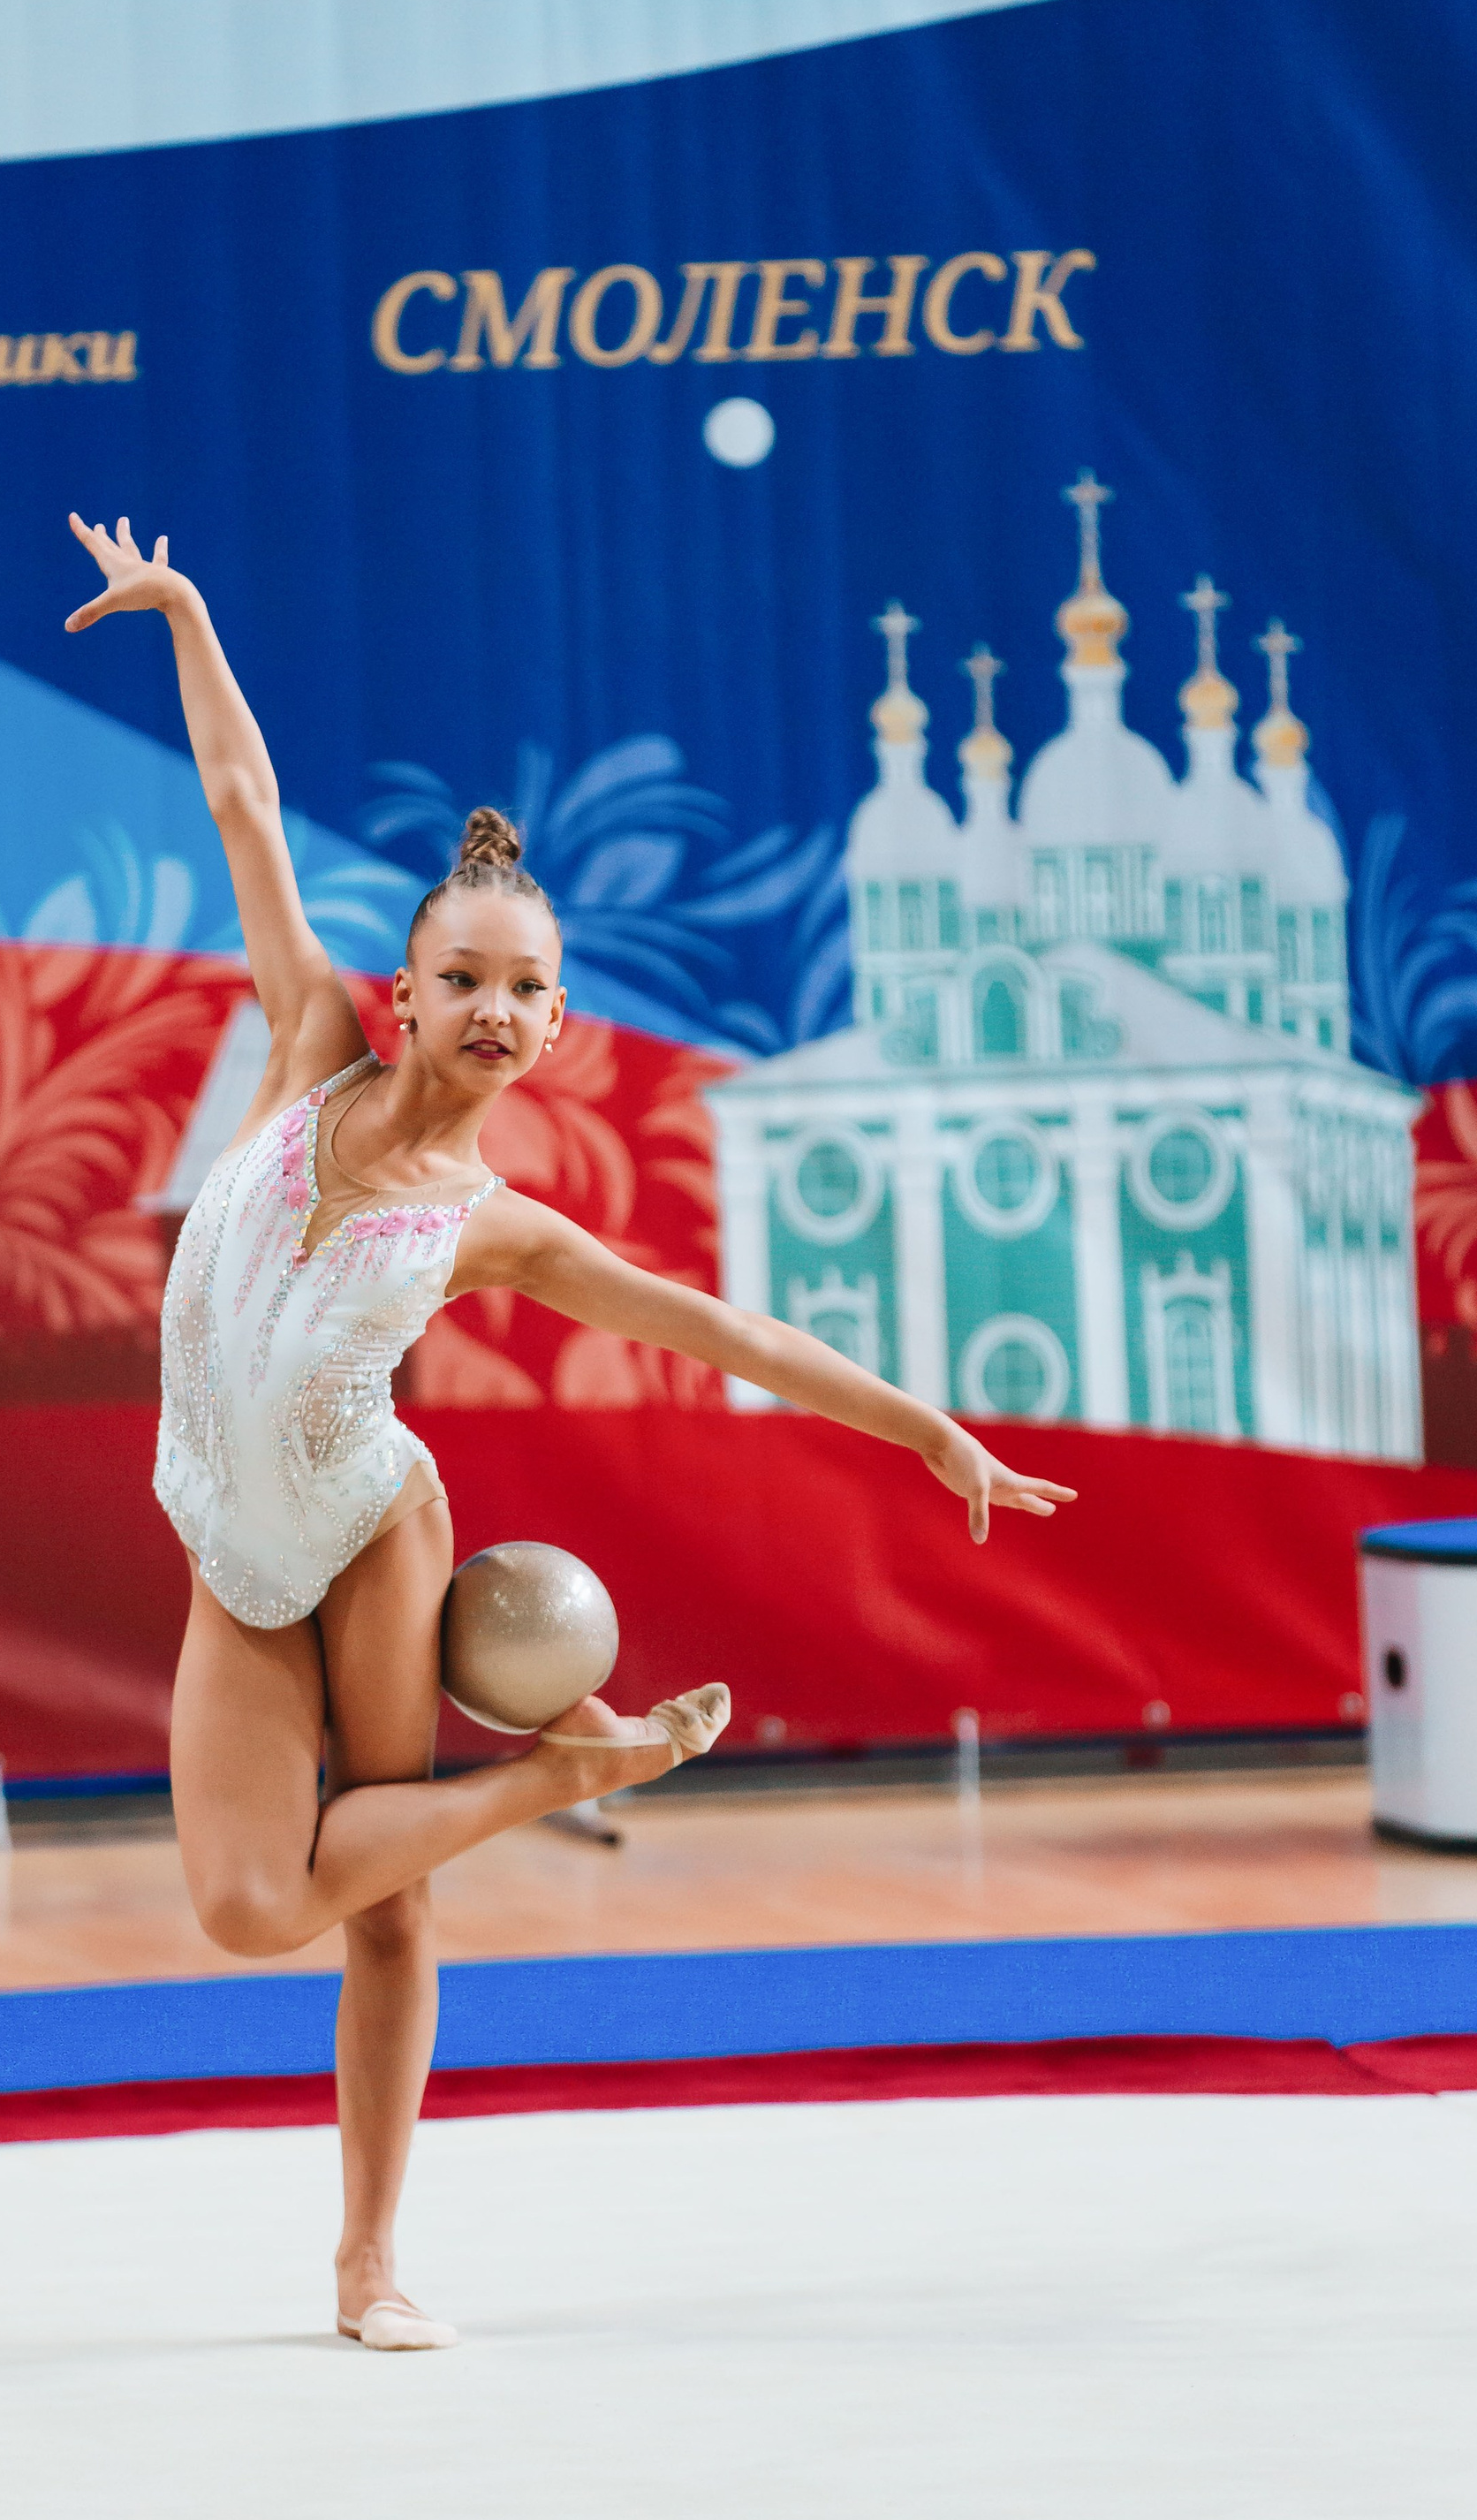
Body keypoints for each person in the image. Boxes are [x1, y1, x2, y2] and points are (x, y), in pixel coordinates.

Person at [65, 514, 1078, 2349]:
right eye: (466, 978)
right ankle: (558, 1777)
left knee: (380, 1902)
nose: (500, 1011)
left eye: (530, 990)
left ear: (551, 1021)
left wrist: (922, 1431)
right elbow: (238, 798)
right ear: (401, 992)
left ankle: (369, 2261)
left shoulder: (494, 1227)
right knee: (238, 1907)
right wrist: (190, 613)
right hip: (231, 1548)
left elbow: (723, 1326)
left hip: (375, 1538)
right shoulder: (302, 1042)